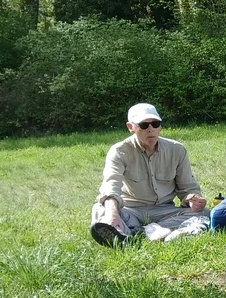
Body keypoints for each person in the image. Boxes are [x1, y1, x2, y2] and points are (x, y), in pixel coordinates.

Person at [90, 103, 210, 247]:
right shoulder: (119, 151)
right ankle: (144, 231)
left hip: (165, 210)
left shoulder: (177, 150)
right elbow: (111, 185)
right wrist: (112, 214)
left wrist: (193, 199)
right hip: (131, 211)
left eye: (155, 123)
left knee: (204, 213)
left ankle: (134, 233)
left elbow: (188, 188)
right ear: (130, 127)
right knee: (100, 208)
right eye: (144, 125)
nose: (151, 129)